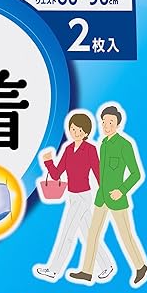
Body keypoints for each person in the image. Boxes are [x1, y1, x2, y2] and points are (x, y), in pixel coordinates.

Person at [69, 105, 147, 287]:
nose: (106, 125)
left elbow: (136, 174)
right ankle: (87, 271)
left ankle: (140, 266)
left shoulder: (124, 145)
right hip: (101, 197)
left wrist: (122, 190)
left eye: (111, 122)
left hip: (117, 199)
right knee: (92, 234)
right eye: (104, 122)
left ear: (118, 124)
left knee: (125, 235)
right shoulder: (103, 144)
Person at [35, 111, 114, 282]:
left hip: (84, 196)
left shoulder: (90, 149)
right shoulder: (68, 149)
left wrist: (105, 194)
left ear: (86, 132)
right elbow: (56, 175)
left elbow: (98, 172)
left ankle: (53, 270)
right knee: (88, 234)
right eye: (73, 129)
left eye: (79, 130)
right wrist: (48, 161)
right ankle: (106, 266)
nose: (75, 132)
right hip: (72, 196)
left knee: (67, 233)